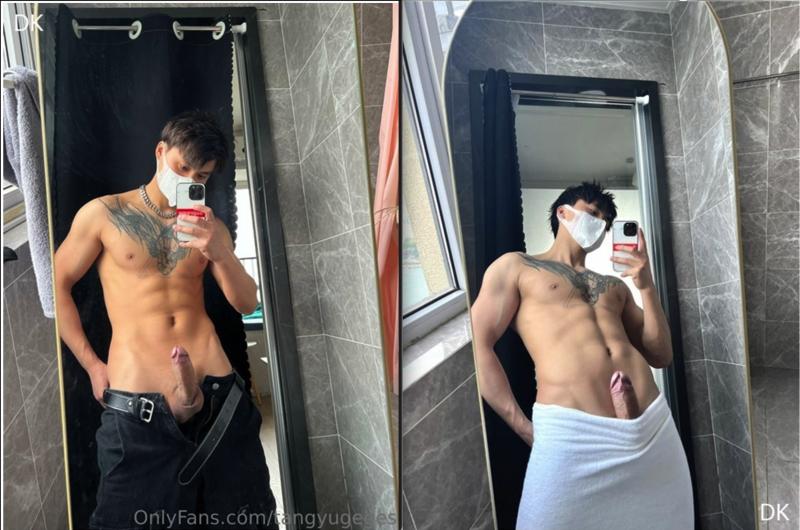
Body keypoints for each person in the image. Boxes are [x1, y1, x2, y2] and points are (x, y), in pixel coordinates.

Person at [54, 110, 279, 530]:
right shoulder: (104, 214)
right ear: (160, 152)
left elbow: (246, 302)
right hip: (138, 408)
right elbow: (58, 284)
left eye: (201, 175)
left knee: (249, 520)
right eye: (182, 167)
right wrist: (92, 365)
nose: (190, 178)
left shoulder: (211, 228)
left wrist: (220, 252)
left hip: (218, 399)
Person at [470, 181, 694, 529]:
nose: (600, 225)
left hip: (651, 426)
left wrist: (646, 285)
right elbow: (477, 346)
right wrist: (525, 428)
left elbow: (660, 355)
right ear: (563, 213)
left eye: (606, 221)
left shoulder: (615, 286)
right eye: (593, 213)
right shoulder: (517, 266)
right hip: (573, 434)